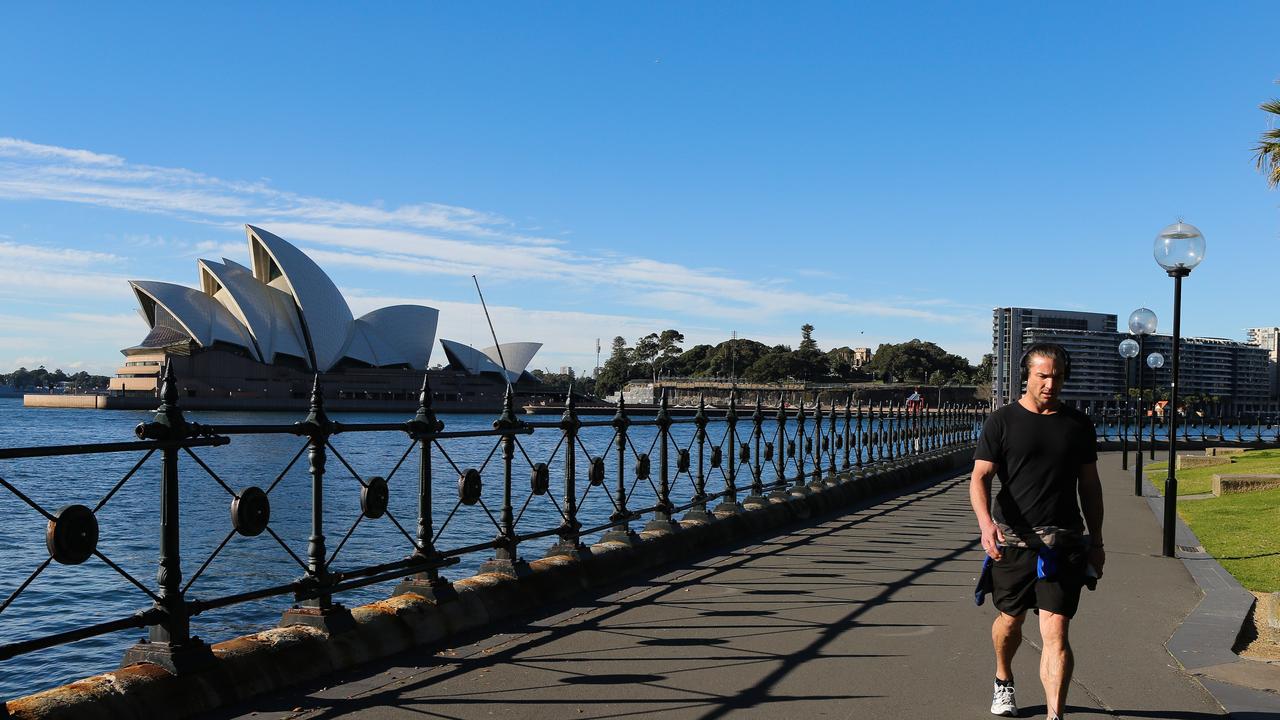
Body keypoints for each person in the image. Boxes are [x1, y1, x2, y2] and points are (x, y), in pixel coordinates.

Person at [969, 343, 1105, 720]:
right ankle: (1003, 679)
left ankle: (1054, 715)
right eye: (1043, 375)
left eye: (1057, 376)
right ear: (1026, 376)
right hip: (1013, 541)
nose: (1050, 383)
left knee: (1057, 631)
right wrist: (986, 525)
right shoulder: (1002, 421)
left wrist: (1097, 540)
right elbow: (980, 476)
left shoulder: (1078, 425)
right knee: (1010, 621)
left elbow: (1090, 486)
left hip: (1063, 541)